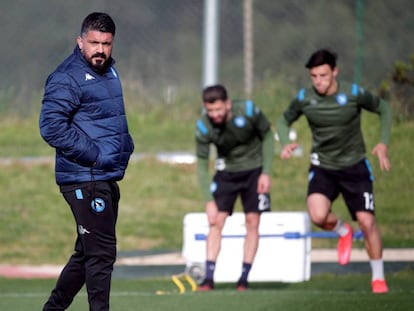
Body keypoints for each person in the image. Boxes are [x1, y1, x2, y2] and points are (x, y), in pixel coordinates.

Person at [39, 12, 134, 310]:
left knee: (88, 253)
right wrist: (95, 155)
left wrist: (124, 147)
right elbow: (51, 126)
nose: (100, 50)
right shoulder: (67, 77)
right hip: (84, 178)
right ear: (80, 41)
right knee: (102, 254)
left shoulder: (110, 70)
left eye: (106, 43)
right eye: (94, 42)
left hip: (104, 176)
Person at [276, 49, 391, 294]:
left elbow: (384, 109)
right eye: (314, 76)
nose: (318, 81)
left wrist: (383, 143)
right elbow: (284, 120)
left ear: (335, 72)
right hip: (323, 166)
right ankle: (343, 230)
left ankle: (378, 278)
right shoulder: (304, 98)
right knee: (317, 215)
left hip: (354, 166)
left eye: (323, 75)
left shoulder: (353, 93)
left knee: (367, 221)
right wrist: (285, 141)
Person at [195, 84, 274, 291]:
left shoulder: (247, 111)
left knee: (252, 221)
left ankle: (243, 279)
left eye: (219, 109)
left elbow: (267, 136)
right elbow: (202, 164)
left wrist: (266, 171)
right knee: (216, 221)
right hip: (226, 173)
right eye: (210, 110)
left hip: (254, 170)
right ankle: (209, 278)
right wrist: (208, 200)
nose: (215, 114)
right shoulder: (204, 126)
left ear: (228, 104)